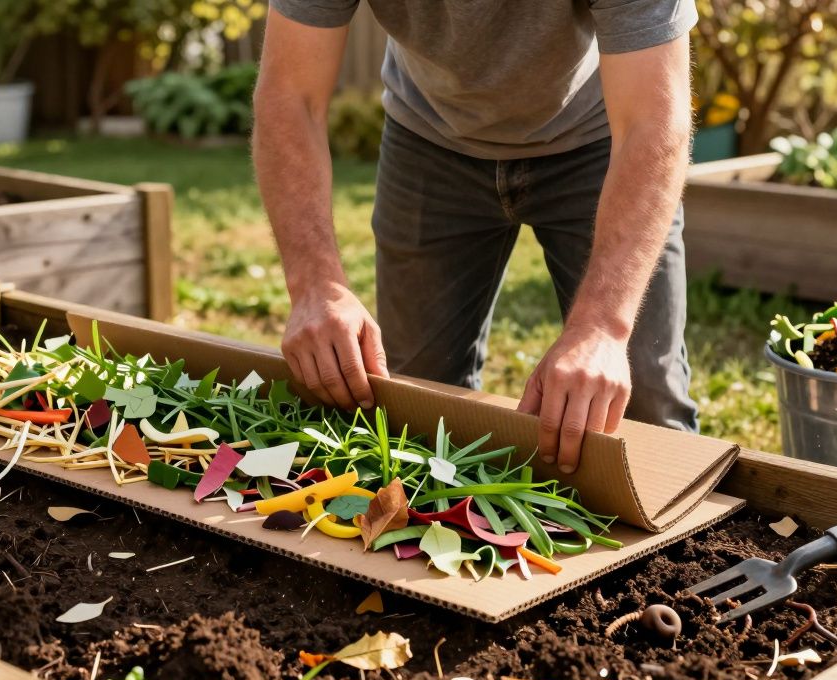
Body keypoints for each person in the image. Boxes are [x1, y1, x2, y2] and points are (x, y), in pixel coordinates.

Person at [253, 1, 700, 476]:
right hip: (429, 139)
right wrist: (314, 285)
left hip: (603, 142)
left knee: (646, 402)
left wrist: (604, 326)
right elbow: (289, 95)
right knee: (416, 407)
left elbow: (653, 119)